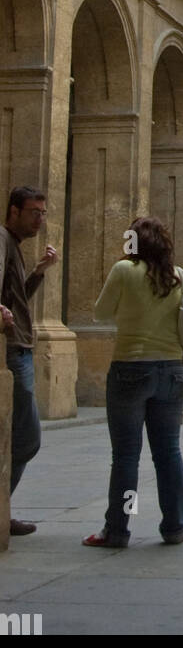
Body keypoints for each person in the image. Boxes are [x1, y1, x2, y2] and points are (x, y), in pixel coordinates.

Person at [84, 216, 183, 547]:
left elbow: (100, 312)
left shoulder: (123, 270)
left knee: (126, 455)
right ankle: (174, 526)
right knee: (168, 453)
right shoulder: (181, 277)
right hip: (170, 371)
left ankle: (119, 528)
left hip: (130, 369)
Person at [0, 185, 59, 536]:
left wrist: (38, 271)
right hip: (13, 350)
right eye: (34, 212)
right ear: (14, 212)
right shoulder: (2, 240)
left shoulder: (14, 246)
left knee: (20, 436)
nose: (40, 219)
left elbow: (15, 297)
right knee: (27, 437)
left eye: (43, 213)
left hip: (20, 346)